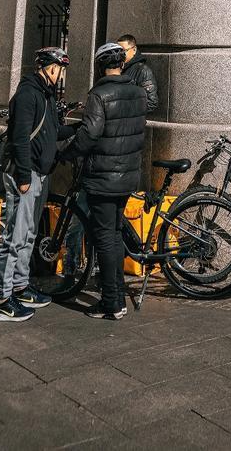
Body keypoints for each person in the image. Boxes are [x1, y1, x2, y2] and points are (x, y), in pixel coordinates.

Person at [0, 46, 78, 322]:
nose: (60, 74)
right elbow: (19, 138)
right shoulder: (28, 94)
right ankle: (2, 299)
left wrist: (79, 128)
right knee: (14, 237)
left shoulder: (47, 94)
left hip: (41, 173)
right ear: (48, 67)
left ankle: (21, 286)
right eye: (59, 69)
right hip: (24, 174)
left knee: (28, 234)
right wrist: (25, 177)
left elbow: (52, 132)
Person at [66, 41, 148, 319]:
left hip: (102, 176)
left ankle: (112, 302)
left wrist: (69, 151)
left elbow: (90, 134)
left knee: (105, 238)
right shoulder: (138, 93)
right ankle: (117, 297)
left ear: (101, 66)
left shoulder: (99, 95)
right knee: (112, 234)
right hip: (127, 175)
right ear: (122, 64)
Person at [117, 33, 159, 113]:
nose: (120, 54)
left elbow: (151, 102)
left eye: (123, 51)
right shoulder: (117, 67)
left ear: (134, 50)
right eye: (117, 51)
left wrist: (123, 110)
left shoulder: (143, 71)